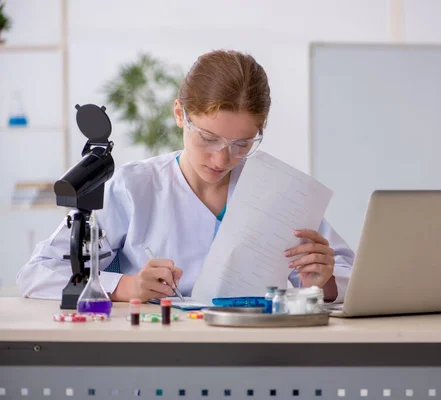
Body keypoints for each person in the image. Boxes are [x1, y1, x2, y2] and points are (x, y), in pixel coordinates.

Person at [16, 50, 354, 303]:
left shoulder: (280, 193)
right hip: (160, 359)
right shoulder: (133, 188)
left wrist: (325, 282)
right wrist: (125, 286)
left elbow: (357, 278)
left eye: (243, 143)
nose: (222, 158)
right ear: (180, 114)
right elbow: (38, 272)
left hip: (259, 355)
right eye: (208, 138)